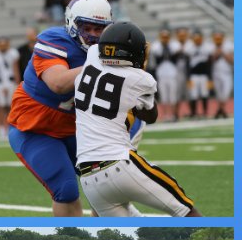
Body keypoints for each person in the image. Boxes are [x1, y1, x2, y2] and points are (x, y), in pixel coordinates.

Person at [74, 22, 199, 216]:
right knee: (185, 210)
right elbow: (151, 116)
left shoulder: (92, 56)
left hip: (88, 178)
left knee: (134, 236)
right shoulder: (141, 79)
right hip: (120, 164)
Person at [8, 0, 112, 215]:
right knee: (65, 189)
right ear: (72, 23)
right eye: (87, 28)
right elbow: (58, 83)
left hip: (77, 128)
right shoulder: (55, 40)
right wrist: (104, 65)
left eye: (99, 28)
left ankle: (101, 233)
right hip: (35, 128)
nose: (93, 35)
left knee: (107, 182)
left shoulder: (109, 50)